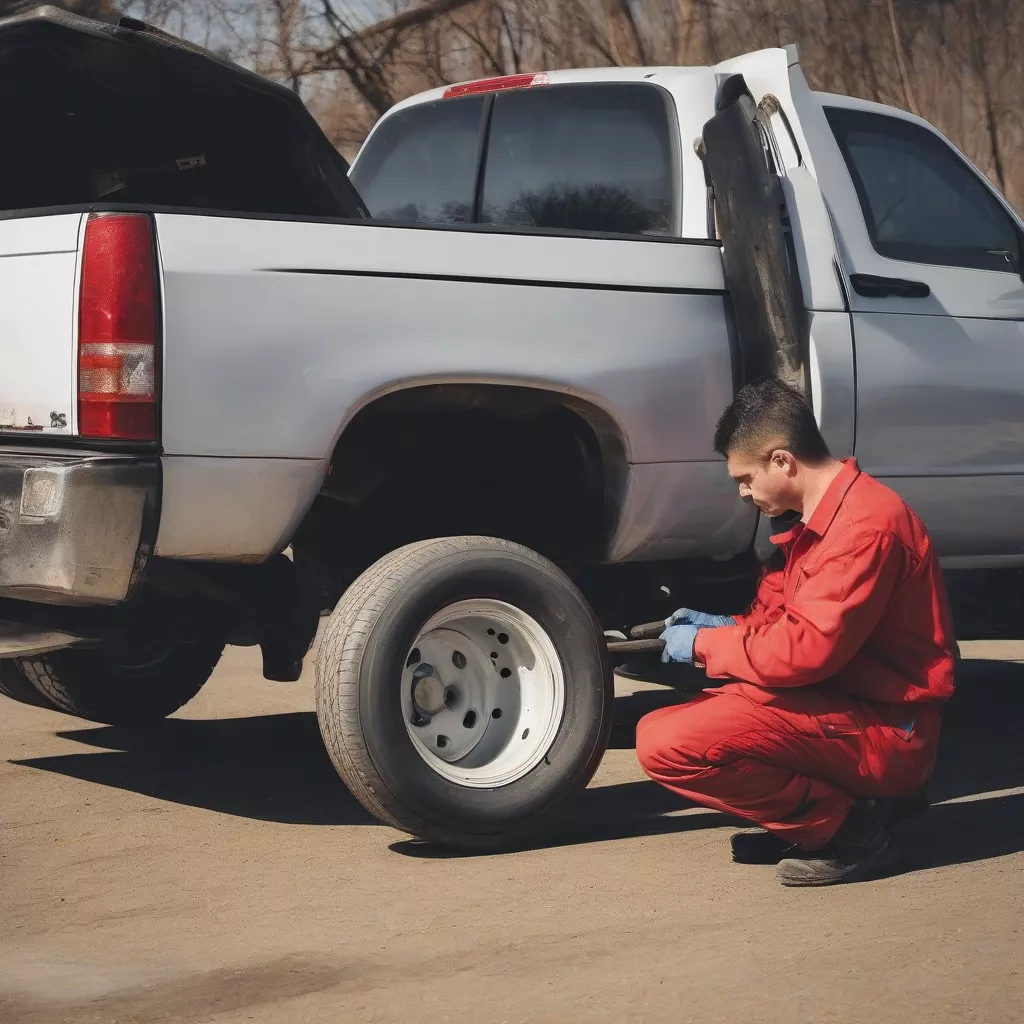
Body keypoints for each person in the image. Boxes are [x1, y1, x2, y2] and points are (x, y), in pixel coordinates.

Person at [635, 377, 956, 887]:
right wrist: (727, 626)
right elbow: (790, 623)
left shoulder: (862, 529)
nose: (742, 492)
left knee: (669, 744)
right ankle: (839, 814)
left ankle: (851, 834)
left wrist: (704, 645)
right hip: (851, 707)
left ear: (781, 461)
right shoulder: (824, 520)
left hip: (889, 730)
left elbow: (805, 651)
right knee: (663, 728)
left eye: (745, 477)